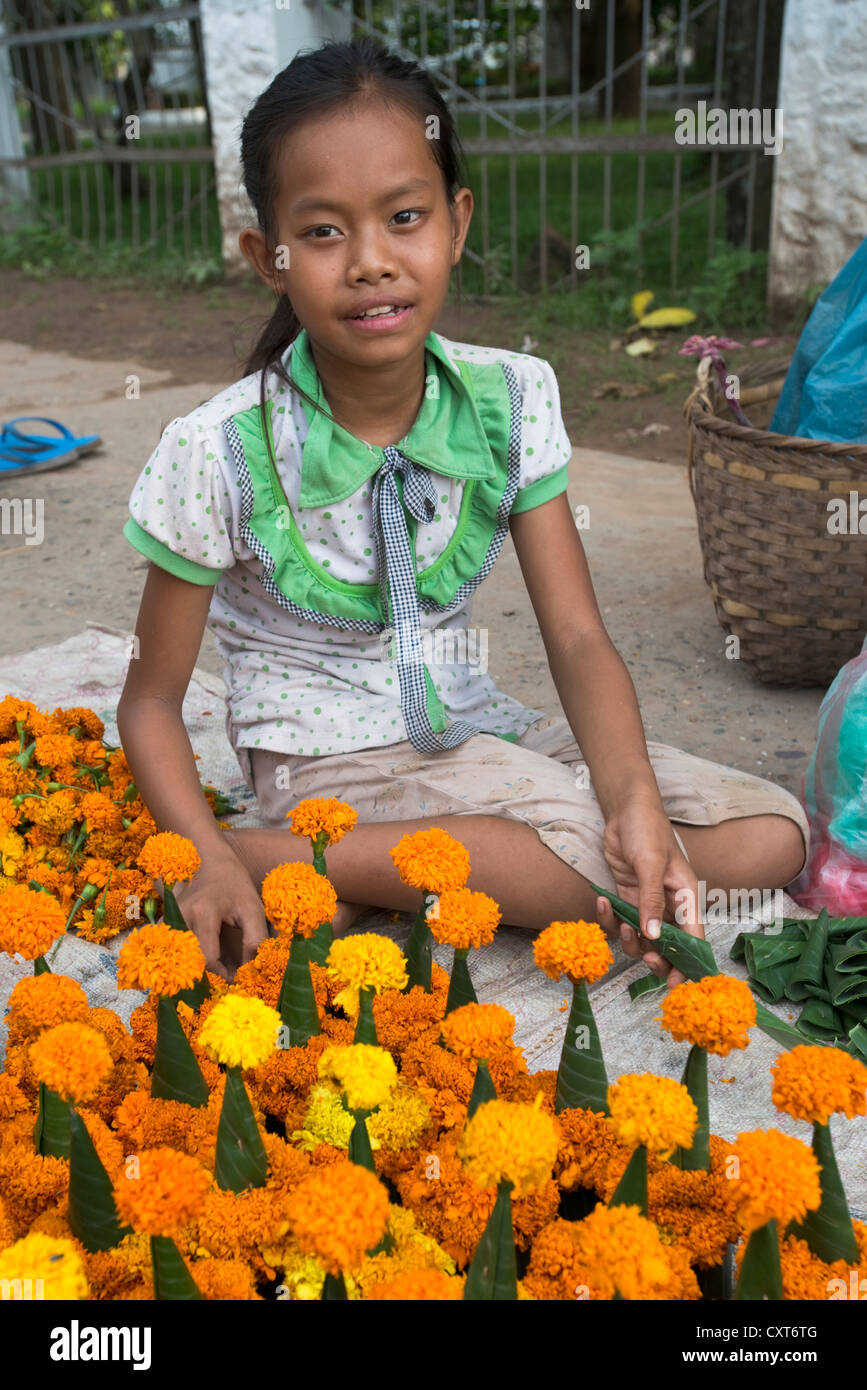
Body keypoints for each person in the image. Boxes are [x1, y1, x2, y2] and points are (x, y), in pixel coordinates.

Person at [116, 36, 808, 984]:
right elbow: (150, 699)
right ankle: (278, 852)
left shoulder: (511, 397)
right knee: (579, 852)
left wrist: (635, 796)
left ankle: (367, 878)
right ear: (266, 257)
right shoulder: (220, 449)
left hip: (475, 724)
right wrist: (195, 855)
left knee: (768, 833)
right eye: (322, 233)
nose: (369, 262)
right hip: (324, 770)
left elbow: (575, 637)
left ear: (456, 221)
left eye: (404, 217)